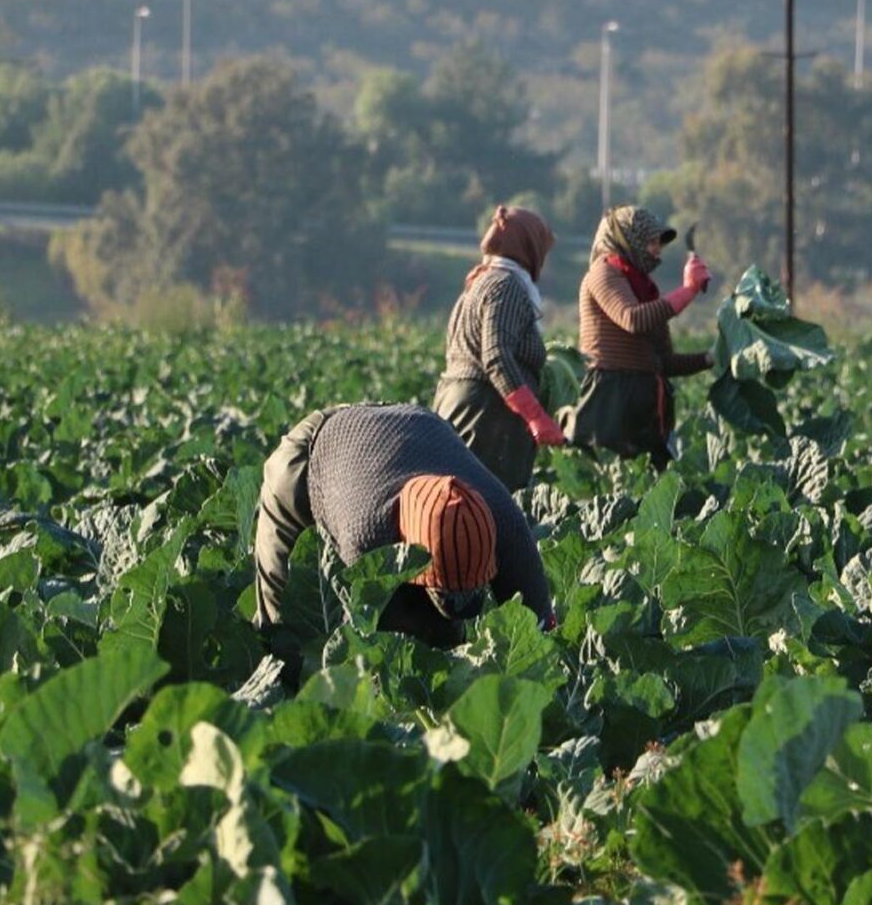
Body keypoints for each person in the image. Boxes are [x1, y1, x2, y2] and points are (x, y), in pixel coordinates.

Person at [255, 403, 555, 652]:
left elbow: (540, 627)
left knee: (439, 639)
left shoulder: (505, 519)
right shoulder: (365, 535)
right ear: (409, 553)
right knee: (290, 633)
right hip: (308, 460)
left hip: (401, 429)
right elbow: (368, 639)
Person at [569, 205, 715, 465]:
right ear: (626, 239)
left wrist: (711, 358)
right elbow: (632, 319)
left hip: (644, 412)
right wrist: (688, 290)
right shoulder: (603, 273)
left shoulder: (645, 289)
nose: (657, 250)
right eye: (650, 242)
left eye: (659, 243)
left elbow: (663, 362)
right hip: (609, 403)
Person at [432, 206, 563, 491]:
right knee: (489, 509)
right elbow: (496, 357)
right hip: (486, 416)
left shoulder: (479, 282)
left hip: (460, 404)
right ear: (528, 246)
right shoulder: (506, 286)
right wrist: (536, 417)